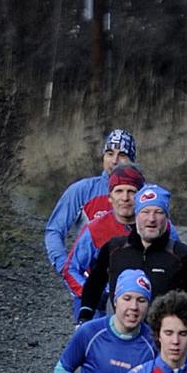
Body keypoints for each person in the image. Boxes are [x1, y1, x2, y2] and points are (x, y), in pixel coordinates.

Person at [78, 184, 187, 321]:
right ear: (136, 215)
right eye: (145, 212)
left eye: (158, 212)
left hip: (160, 338)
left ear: (166, 218)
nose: (151, 219)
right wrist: (85, 316)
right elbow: (94, 284)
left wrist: (178, 328)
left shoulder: (181, 254)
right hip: (122, 334)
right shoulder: (114, 249)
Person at [43, 127, 138, 309]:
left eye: (122, 155)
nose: (115, 161)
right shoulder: (82, 190)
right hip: (90, 289)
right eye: (110, 153)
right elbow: (54, 231)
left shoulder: (142, 194)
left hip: (133, 295)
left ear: (132, 160)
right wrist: (64, 265)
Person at [64, 160, 145, 317]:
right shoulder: (94, 229)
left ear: (142, 196)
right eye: (119, 191)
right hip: (99, 310)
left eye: (132, 191)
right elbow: (70, 269)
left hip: (142, 306)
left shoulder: (158, 226)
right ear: (110, 197)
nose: (125, 198)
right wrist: (91, 292)